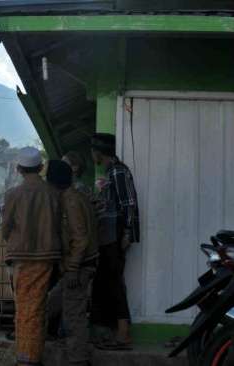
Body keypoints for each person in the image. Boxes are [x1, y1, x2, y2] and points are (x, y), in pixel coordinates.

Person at [2, 146, 62, 366]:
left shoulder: (13, 194)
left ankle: (27, 358)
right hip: (47, 257)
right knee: (36, 306)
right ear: (41, 167)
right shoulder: (54, 193)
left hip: (21, 258)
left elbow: (5, 227)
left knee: (26, 307)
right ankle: (31, 354)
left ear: (18, 169)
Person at [46, 160, 99, 366]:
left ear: (54, 182)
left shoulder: (71, 201)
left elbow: (80, 237)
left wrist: (73, 268)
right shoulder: (76, 197)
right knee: (52, 303)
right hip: (79, 264)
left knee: (73, 315)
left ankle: (78, 360)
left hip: (79, 266)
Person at [89, 133, 140, 351]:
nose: (92, 154)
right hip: (107, 235)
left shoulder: (118, 171)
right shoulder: (110, 172)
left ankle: (123, 335)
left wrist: (127, 233)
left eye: (93, 151)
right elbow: (113, 204)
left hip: (115, 234)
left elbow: (128, 204)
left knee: (114, 283)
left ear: (99, 152)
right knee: (106, 283)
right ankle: (110, 332)